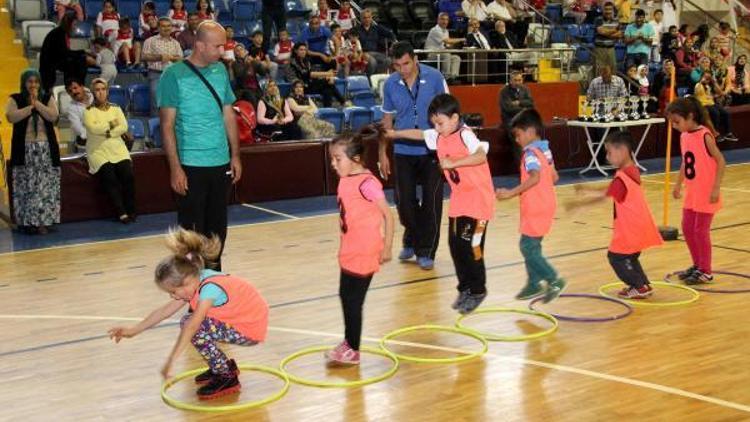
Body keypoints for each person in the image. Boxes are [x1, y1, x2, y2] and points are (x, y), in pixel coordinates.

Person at [108, 228, 269, 399]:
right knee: (192, 323)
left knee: (192, 324)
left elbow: (192, 326)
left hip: (250, 330)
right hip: (240, 322)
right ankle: (222, 366)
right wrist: (133, 330)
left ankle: (226, 376)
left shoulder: (209, 288)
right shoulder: (195, 281)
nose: (172, 296)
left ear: (186, 282)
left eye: (173, 292)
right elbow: (164, 311)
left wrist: (170, 361)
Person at [386, 94, 494, 314]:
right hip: (460, 200)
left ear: (454, 118)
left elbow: (481, 156)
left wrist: (455, 162)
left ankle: (478, 289)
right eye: (434, 123)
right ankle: (465, 288)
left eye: (440, 123)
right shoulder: (438, 135)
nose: (436, 127)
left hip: (480, 201)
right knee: (455, 245)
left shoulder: (466, 135)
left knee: (472, 246)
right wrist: (394, 133)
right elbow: (418, 134)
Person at [158, 21, 242, 270]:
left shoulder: (220, 72)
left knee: (217, 233)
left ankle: (212, 285)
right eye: (217, 46)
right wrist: (175, 169)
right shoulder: (173, 75)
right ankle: (192, 288)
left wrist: (235, 155)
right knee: (192, 234)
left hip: (220, 163)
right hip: (191, 165)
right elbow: (166, 126)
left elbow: (228, 115)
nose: (222, 51)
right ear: (200, 45)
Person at [325, 126, 394, 364]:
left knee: (353, 300)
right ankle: (349, 342)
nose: (333, 163)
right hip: (350, 248)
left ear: (355, 159)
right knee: (347, 296)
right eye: (332, 159)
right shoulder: (346, 179)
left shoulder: (366, 183)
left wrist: (387, 247)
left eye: (337, 159)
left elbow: (389, 215)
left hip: (365, 249)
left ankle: (353, 348)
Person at [567, 131, 663, 299]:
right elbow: (611, 189)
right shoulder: (630, 171)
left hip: (630, 229)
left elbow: (605, 195)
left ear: (623, 151)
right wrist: (586, 189)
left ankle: (639, 286)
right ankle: (643, 284)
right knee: (630, 258)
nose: (607, 157)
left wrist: (578, 204)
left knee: (616, 257)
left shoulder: (623, 177)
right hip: (637, 225)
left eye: (609, 152)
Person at [379, 42, 448, 270]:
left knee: (432, 203)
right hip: (402, 151)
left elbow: (450, 111)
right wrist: (383, 153)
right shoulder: (390, 84)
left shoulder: (435, 77)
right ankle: (411, 235)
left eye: (406, 63)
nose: (403, 69)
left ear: (415, 59)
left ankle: (425, 250)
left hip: (432, 151)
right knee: (404, 203)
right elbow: (387, 121)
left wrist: (450, 146)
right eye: (398, 65)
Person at [496, 108, 566, 303]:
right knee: (532, 246)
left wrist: (510, 192)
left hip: (536, 206)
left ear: (529, 131)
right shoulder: (545, 149)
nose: (517, 140)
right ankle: (533, 283)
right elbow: (555, 176)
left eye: (518, 135)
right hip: (545, 204)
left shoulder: (529, 154)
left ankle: (553, 279)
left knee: (527, 246)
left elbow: (535, 177)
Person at [666, 97, 726, 284]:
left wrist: (716, 188)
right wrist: (677, 184)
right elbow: (686, 161)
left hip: (706, 191)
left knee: (700, 231)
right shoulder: (685, 136)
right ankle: (697, 265)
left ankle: (706, 271)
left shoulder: (704, 135)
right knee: (687, 228)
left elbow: (721, 161)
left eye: (677, 121)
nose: (674, 126)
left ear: (691, 116)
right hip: (692, 191)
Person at [6, 69, 61, 235]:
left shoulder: (47, 97)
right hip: (25, 149)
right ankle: (27, 222)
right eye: (30, 81)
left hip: (45, 149)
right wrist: (30, 107)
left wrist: (37, 104)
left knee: (44, 187)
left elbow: (53, 116)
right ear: (24, 83)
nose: (33, 85)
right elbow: (11, 117)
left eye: (36, 81)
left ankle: (43, 222)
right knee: (27, 185)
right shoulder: (15, 98)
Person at [83, 78, 135, 224]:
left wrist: (106, 131)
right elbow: (93, 128)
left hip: (117, 147)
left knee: (128, 175)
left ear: (107, 91)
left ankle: (131, 209)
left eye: (103, 89)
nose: (100, 93)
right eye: (97, 90)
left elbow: (123, 126)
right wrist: (112, 124)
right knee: (109, 175)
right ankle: (121, 212)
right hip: (98, 150)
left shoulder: (116, 108)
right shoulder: (88, 111)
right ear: (93, 92)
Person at [39, 13, 93, 92]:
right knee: (79, 61)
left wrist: (83, 53)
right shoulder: (58, 34)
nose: (75, 27)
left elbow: (66, 52)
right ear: (68, 23)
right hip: (50, 63)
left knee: (80, 60)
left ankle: (78, 85)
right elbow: (64, 53)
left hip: (58, 59)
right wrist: (83, 54)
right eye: (74, 24)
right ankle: (74, 86)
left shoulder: (63, 32)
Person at [141, 17, 183, 113]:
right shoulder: (150, 41)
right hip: (156, 74)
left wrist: (172, 58)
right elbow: (144, 56)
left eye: (169, 26)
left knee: (173, 102)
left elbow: (181, 59)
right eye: (163, 26)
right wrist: (160, 57)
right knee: (156, 99)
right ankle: (155, 123)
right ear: (158, 28)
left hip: (172, 75)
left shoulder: (176, 43)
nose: (166, 28)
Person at [285, 42, 346, 107]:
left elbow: (312, 75)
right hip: (299, 87)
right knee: (327, 84)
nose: (303, 52)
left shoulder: (306, 61)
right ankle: (343, 102)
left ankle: (327, 111)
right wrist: (328, 74)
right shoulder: (291, 63)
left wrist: (329, 76)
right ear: (295, 51)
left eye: (305, 50)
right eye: (301, 50)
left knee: (327, 90)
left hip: (309, 85)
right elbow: (307, 74)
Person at [500, 71, 534, 163]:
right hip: (510, 121)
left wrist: (519, 102)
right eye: (515, 80)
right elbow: (508, 108)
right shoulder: (504, 92)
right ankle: (522, 166)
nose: (517, 82)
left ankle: (533, 164)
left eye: (519, 80)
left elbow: (531, 103)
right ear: (510, 81)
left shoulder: (525, 89)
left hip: (524, 120)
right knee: (518, 141)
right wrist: (524, 109)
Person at [693, 72, 737, 142]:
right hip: (703, 104)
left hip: (712, 103)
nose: (707, 79)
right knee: (715, 113)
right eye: (705, 77)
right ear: (701, 77)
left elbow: (721, 93)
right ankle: (715, 134)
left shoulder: (709, 86)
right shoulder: (698, 85)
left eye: (708, 78)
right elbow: (696, 92)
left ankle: (728, 133)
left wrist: (714, 82)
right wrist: (701, 81)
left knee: (725, 113)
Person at [353, 9, 396, 75]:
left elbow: (391, 34)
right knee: (373, 62)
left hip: (376, 52)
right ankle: (370, 78)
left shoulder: (377, 28)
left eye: (369, 17)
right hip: (363, 53)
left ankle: (375, 76)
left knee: (388, 60)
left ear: (371, 18)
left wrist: (393, 44)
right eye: (364, 18)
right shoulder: (356, 29)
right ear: (361, 19)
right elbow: (349, 38)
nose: (367, 19)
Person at [425, 13, 464, 82]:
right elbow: (447, 40)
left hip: (441, 53)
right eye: (443, 19)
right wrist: (461, 39)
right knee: (447, 54)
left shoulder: (446, 31)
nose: (445, 22)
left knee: (456, 57)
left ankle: (453, 77)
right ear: (438, 20)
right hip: (431, 54)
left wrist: (451, 46)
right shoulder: (435, 30)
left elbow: (447, 44)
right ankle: (446, 77)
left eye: (446, 20)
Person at [593, 2, 622, 74]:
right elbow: (601, 32)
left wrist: (607, 33)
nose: (608, 11)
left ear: (613, 10)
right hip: (600, 49)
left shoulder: (616, 20)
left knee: (613, 70)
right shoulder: (598, 19)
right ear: (603, 10)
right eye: (606, 9)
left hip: (611, 49)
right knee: (600, 70)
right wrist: (614, 30)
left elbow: (619, 35)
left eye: (610, 9)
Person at [64, 77, 93, 148]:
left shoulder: (95, 95)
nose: (73, 92)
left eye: (75, 88)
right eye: (70, 91)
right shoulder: (71, 109)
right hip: (87, 141)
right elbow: (79, 130)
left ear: (82, 86)